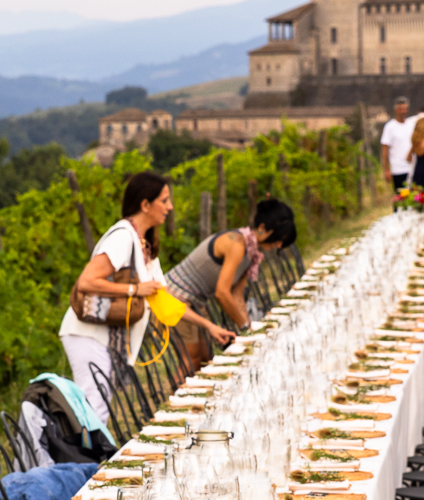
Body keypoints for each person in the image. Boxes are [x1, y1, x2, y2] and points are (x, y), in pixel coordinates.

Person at [59, 171, 233, 425]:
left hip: (103, 338)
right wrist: (134, 290)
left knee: (98, 410)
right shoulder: (122, 237)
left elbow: (165, 301)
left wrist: (210, 327)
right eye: (164, 200)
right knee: (94, 411)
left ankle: (85, 462)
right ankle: (80, 464)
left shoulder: (144, 245)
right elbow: (86, 282)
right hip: (87, 335)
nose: (170, 207)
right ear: (145, 204)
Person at [164, 196, 297, 367]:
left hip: (196, 301)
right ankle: (177, 393)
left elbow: (236, 296)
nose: (279, 245)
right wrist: (243, 328)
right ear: (263, 227)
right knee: (191, 360)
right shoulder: (236, 244)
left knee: (206, 359)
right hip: (175, 297)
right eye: (279, 237)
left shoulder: (250, 253)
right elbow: (222, 293)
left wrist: (250, 330)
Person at [380, 98, 414, 191]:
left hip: (411, 167)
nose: (403, 111)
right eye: (401, 109)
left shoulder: (411, 125)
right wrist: (386, 169)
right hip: (397, 169)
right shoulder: (390, 127)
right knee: (400, 198)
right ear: (395, 110)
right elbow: (385, 149)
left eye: (405, 109)